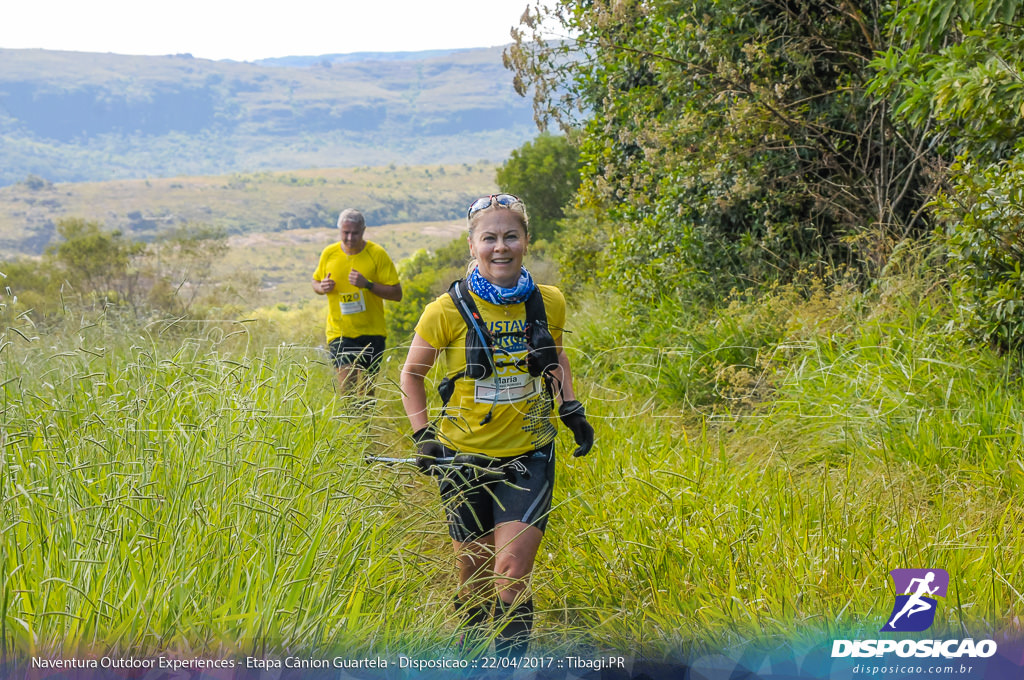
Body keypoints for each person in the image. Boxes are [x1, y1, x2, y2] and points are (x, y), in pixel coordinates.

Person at [400, 194, 594, 658]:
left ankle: (507, 667)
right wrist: (423, 435)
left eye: (511, 236)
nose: (500, 247)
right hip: (461, 457)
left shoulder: (549, 302)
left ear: (526, 241)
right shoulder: (444, 311)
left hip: (529, 455)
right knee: (474, 572)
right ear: (473, 245)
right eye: (490, 238)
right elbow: (411, 375)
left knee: (509, 571)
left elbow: (557, 357)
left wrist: (571, 408)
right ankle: (470, 655)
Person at [313, 209, 403, 395]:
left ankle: (364, 424)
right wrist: (322, 287)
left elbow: (396, 293)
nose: (350, 238)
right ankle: (348, 423)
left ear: (363, 230)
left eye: (355, 233)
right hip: (341, 332)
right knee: (348, 387)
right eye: (346, 233)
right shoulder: (329, 253)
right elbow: (315, 282)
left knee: (368, 392)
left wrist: (368, 285)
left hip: (373, 332)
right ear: (339, 231)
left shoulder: (376, 254)